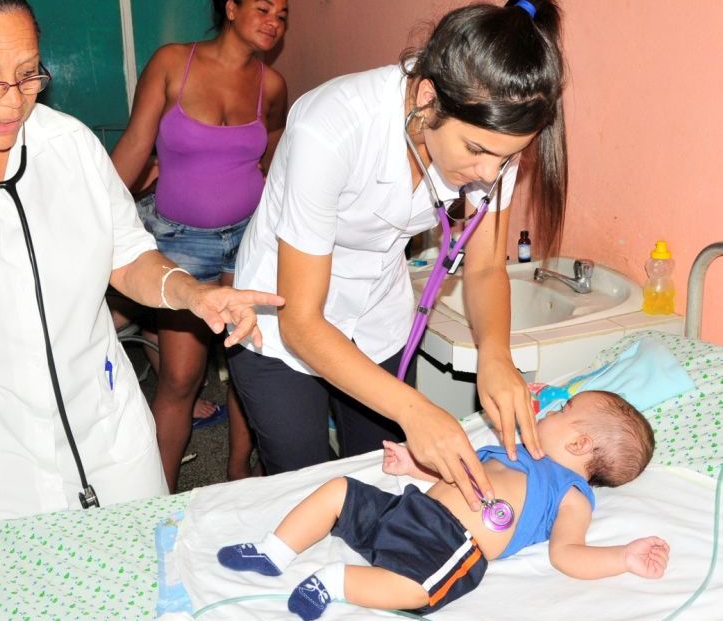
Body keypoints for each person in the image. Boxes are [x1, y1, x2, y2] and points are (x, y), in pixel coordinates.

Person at [0, 0, 282, 566]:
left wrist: (193, 292)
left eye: (28, 74)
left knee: (137, 574)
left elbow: (129, 253)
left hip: (105, 422)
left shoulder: (69, 145)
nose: (14, 100)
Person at [229, 0, 569, 509]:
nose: (490, 174)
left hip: (377, 319)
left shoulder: (494, 137)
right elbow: (301, 321)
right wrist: (415, 409)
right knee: (305, 486)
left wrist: (495, 357)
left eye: (507, 158)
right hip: (281, 322)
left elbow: (483, 268)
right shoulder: (331, 128)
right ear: (427, 97)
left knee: (386, 481)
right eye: (476, 151)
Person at [217, 390, 669, 619]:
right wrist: (417, 469)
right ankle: (275, 550)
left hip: (451, 544)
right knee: (339, 489)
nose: (549, 410)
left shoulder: (571, 494)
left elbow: (567, 553)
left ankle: (335, 582)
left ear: (580, 442)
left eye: (563, 409)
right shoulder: (510, 451)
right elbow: (459, 475)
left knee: (424, 590)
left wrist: (623, 557)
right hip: (409, 510)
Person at [110, 0, 288, 487]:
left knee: (248, 368)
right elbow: (134, 146)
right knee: (181, 379)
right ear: (230, 8)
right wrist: (94, 218)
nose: (274, 21)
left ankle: (236, 469)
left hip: (249, 239)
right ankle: (158, 494)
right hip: (183, 245)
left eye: (283, 14)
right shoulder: (173, 63)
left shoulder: (271, 86)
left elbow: (270, 161)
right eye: (263, 8)